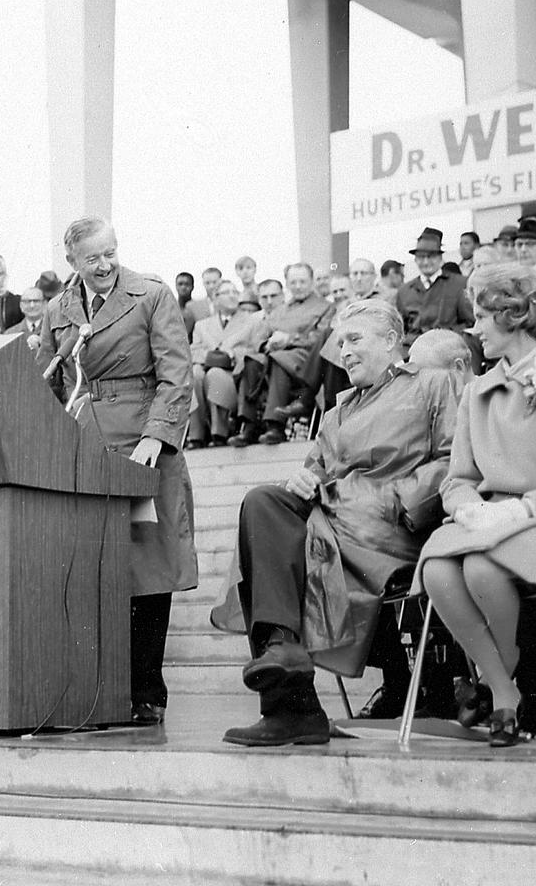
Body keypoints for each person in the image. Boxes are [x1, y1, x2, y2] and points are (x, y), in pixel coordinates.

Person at [216, 299, 459, 746]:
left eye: (354, 339)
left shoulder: (433, 383)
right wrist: (303, 478)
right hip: (330, 519)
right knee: (263, 503)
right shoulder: (337, 409)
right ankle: (283, 655)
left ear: (391, 341)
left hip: (386, 526)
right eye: (339, 342)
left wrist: (402, 502)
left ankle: (291, 703)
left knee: (270, 544)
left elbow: (454, 456)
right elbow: (316, 469)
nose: (343, 352)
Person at [418, 264, 536, 746]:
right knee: (438, 571)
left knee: (482, 570)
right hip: (490, 521)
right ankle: (507, 689)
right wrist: (466, 509)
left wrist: (519, 510)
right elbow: (458, 479)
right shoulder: (475, 392)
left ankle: (496, 690)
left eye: (482, 316)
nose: (475, 328)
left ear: (515, 317)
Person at [39, 216, 197, 726]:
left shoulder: (151, 295)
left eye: (110, 253)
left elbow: (176, 374)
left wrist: (156, 435)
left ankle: (147, 689)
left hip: (143, 443)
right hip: (84, 442)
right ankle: (99, 688)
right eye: (92, 258)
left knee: (146, 568)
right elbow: (47, 382)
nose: (105, 265)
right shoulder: (57, 310)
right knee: (92, 568)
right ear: (72, 262)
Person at [229, 263, 333, 447]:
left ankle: (275, 426)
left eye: (303, 281)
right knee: (251, 361)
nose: (298, 286)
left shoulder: (325, 307)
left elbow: (320, 339)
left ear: (311, 282)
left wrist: (289, 339)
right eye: (293, 282)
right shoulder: (279, 310)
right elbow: (259, 337)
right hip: (274, 355)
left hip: (305, 360)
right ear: (287, 284)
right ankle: (249, 426)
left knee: (279, 360)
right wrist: (267, 344)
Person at [188, 280, 259, 447]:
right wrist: (212, 355)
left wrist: (232, 354)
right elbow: (193, 351)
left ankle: (219, 432)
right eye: (227, 292)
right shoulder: (202, 325)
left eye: (235, 292)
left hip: (235, 374)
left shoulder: (251, 321)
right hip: (206, 369)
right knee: (194, 374)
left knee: (216, 374)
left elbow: (255, 349)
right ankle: (196, 434)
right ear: (216, 298)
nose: (233, 295)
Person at [395, 227, 474, 350]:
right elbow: (400, 330)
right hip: (413, 354)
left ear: (440, 258)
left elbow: (469, 323)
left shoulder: (459, 284)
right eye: (421, 257)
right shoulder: (404, 291)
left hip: (447, 351)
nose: (426, 262)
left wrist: (443, 337)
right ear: (415, 259)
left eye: (431, 256)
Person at [5, 286, 48, 361]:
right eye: (27, 301)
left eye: (36, 301)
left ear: (45, 304)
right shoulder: (10, 334)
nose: (32, 305)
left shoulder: (53, 331)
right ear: (21, 306)